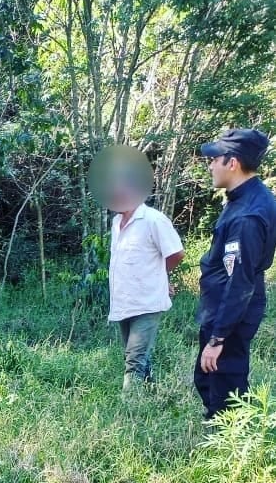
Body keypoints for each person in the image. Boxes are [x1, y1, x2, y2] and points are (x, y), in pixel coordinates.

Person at [196, 128, 276, 421]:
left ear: (233, 163)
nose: (210, 165)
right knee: (214, 378)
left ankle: (229, 445)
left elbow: (239, 281)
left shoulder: (247, 215)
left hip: (231, 310)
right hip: (227, 305)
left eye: (214, 159)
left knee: (223, 383)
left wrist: (218, 339)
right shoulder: (246, 198)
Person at [93, 146, 185, 390]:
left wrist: (159, 277)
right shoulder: (116, 222)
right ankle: (153, 395)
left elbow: (176, 254)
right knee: (137, 356)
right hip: (125, 302)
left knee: (134, 359)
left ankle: (129, 411)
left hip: (148, 301)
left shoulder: (153, 220)